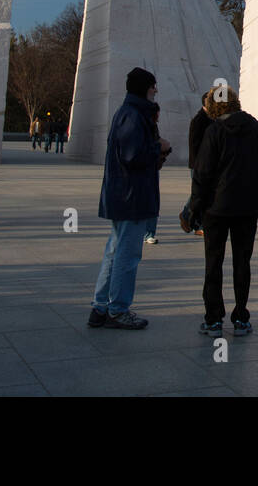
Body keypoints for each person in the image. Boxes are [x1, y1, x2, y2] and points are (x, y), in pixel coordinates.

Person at [182, 87, 258, 338]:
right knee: (242, 264)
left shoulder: (214, 131)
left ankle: (214, 320)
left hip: (216, 210)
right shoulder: (255, 128)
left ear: (214, 107)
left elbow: (202, 175)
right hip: (247, 209)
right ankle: (241, 318)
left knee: (213, 264)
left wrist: (195, 208)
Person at [89, 67, 163, 330]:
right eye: (153, 85)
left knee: (114, 251)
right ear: (145, 87)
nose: (156, 90)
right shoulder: (133, 115)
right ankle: (117, 309)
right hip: (132, 196)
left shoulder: (127, 113)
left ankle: (100, 307)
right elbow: (134, 156)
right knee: (127, 255)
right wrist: (158, 149)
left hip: (123, 195)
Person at [143, 102, 173, 246]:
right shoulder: (145, 126)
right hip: (146, 168)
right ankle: (147, 232)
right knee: (149, 200)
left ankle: (149, 232)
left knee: (153, 200)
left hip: (152, 168)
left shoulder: (152, 126)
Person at [186, 90, 214, 236]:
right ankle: (199, 225)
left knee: (200, 193)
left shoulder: (211, 119)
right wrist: (198, 164)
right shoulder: (199, 120)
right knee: (200, 194)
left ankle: (186, 215)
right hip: (199, 164)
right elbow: (194, 144)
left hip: (207, 164)